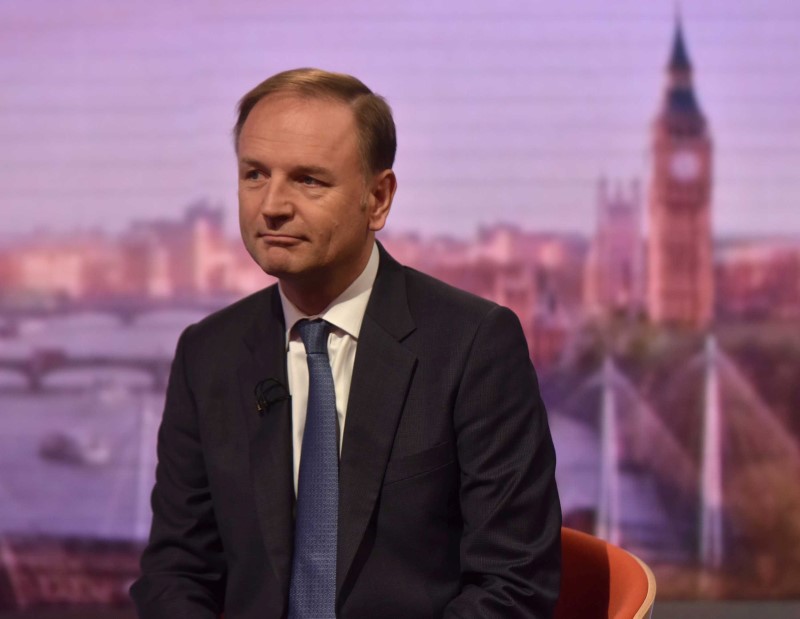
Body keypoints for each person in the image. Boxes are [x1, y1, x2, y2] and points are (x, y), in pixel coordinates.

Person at [130, 67, 561, 619]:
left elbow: (514, 585)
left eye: (308, 180)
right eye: (255, 174)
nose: (272, 205)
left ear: (378, 199)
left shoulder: (473, 344)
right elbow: (177, 571)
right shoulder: (206, 353)